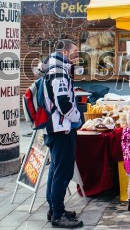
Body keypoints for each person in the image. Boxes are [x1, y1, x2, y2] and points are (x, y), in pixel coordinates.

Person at [43, 39, 84, 228]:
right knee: (63, 172)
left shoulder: (54, 68)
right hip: (61, 129)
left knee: (56, 170)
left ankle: (54, 208)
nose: (78, 54)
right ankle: (58, 214)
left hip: (56, 128)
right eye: (75, 51)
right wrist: (77, 118)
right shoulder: (58, 72)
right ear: (65, 52)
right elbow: (63, 102)